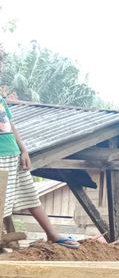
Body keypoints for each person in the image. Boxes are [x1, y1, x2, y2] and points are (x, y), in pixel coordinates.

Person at [0, 95, 79, 249]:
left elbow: (11, 126)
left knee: (30, 195)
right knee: (1, 203)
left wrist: (24, 150)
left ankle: (52, 234)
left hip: (13, 155)